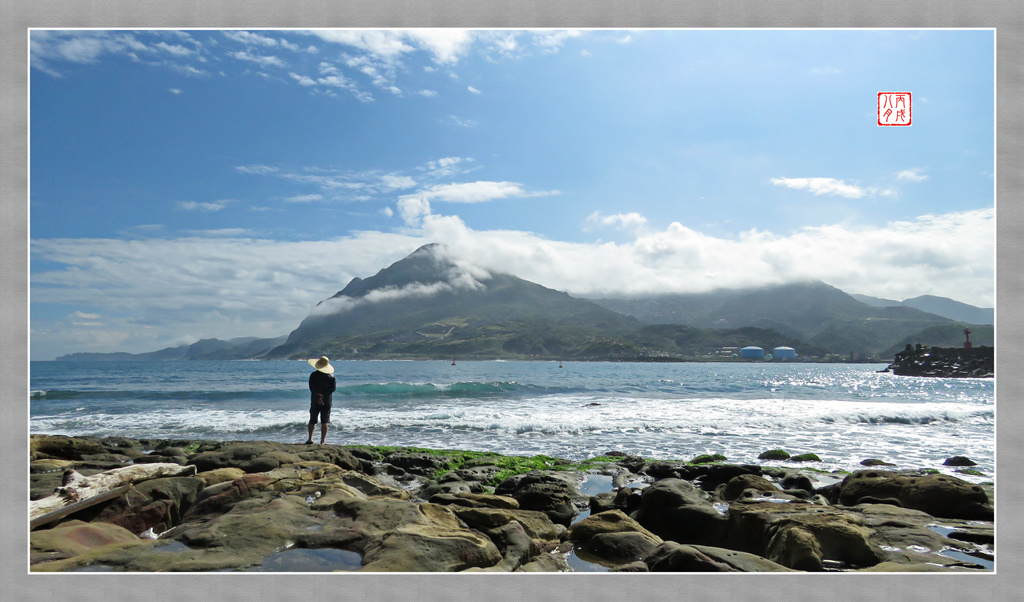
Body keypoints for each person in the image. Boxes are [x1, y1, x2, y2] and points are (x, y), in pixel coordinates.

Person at [306, 356, 336, 444]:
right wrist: (323, 396)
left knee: (312, 420)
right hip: (327, 401)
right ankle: (322, 441)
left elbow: (312, 388)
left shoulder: (313, 375)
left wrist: (319, 397)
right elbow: (333, 389)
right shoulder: (331, 376)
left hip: (315, 400)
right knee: (325, 421)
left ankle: (310, 439)